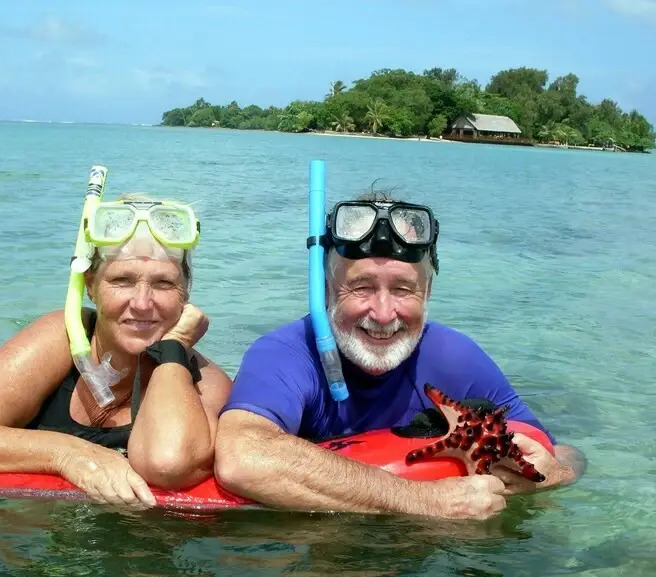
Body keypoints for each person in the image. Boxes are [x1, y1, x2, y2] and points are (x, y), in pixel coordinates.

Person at [215, 192, 585, 519]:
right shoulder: (287, 354)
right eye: (361, 287)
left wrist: (557, 474)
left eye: (403, 290)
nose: (383, 314)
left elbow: (561, 450)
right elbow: (241, 457)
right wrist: (423, 500)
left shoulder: (453, 357)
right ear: (327, 289)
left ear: (428, 292)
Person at [0, 195, 232, 510]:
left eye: (163, 284)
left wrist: (175, 347)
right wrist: (66, 454)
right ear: (90, 285)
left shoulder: (206, 383)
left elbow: (167, 465)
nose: (142, 303)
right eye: (122, 280)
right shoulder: (60, 337)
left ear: (186, 293)